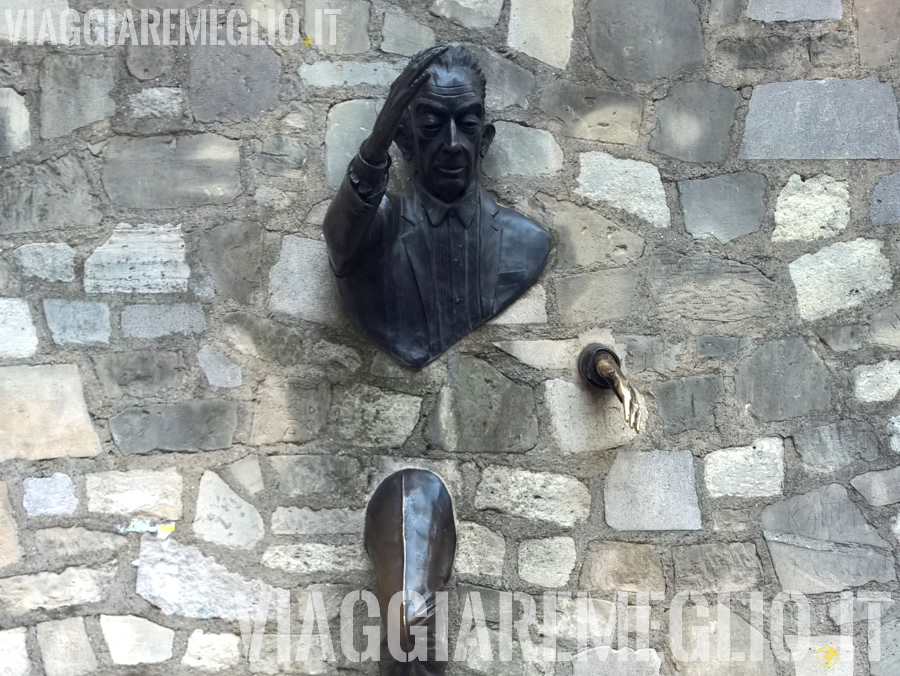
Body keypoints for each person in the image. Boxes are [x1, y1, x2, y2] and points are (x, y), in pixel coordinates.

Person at [323, 45, 550, 368]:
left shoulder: (528, 241)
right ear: (404, 141)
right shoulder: (381, 224)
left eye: (468, 124)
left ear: (484, 140)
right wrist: (374, 149)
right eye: (431, 126)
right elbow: (340, 244)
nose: (453, 144)